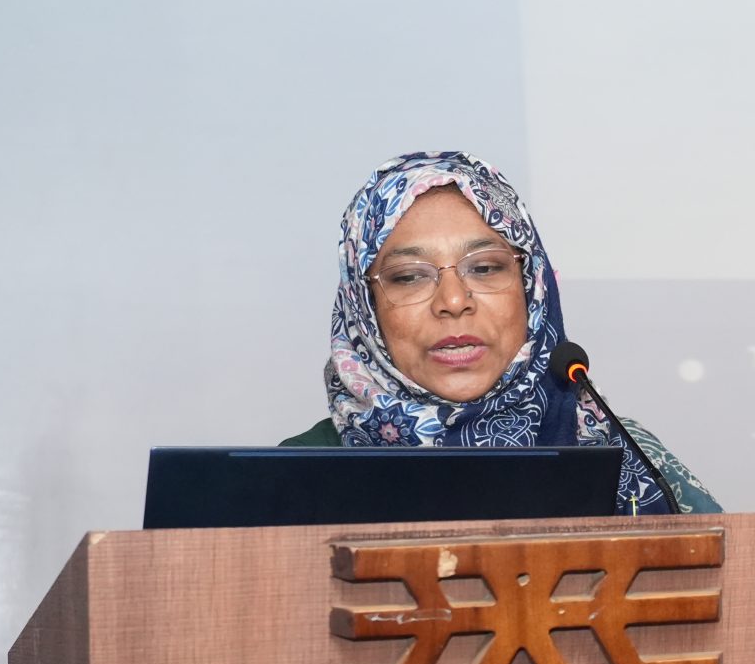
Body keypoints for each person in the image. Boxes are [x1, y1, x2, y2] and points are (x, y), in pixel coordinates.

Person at [283, 149, 718, 514]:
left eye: (486, 268)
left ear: (532, 290)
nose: (454, 300)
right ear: (365, 309)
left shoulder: (626, 455)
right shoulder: (298, 476)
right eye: (409, 276)